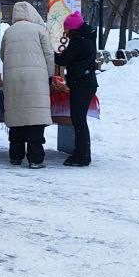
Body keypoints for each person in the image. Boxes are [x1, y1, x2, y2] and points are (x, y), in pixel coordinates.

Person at [0, 1, 53, 168]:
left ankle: (15, 155)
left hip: (13, 78)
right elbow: (49, 55)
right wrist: (49, 75)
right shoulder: (39, 30)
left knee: (17, 118)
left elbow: (3, 55)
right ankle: (35, 158)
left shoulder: (8, 32)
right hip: (36, 79)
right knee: (35, 119)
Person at [55, 11, 99, 167]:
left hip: (81, 84)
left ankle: (82, 156)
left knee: (78, 120)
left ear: (72, 29)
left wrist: (49, 53)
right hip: (86, 82)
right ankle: (81, 153)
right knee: (79, 120)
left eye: (66, 29)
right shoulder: (87, 38)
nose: (65, 32)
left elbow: (63, 60)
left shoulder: (78, 41)